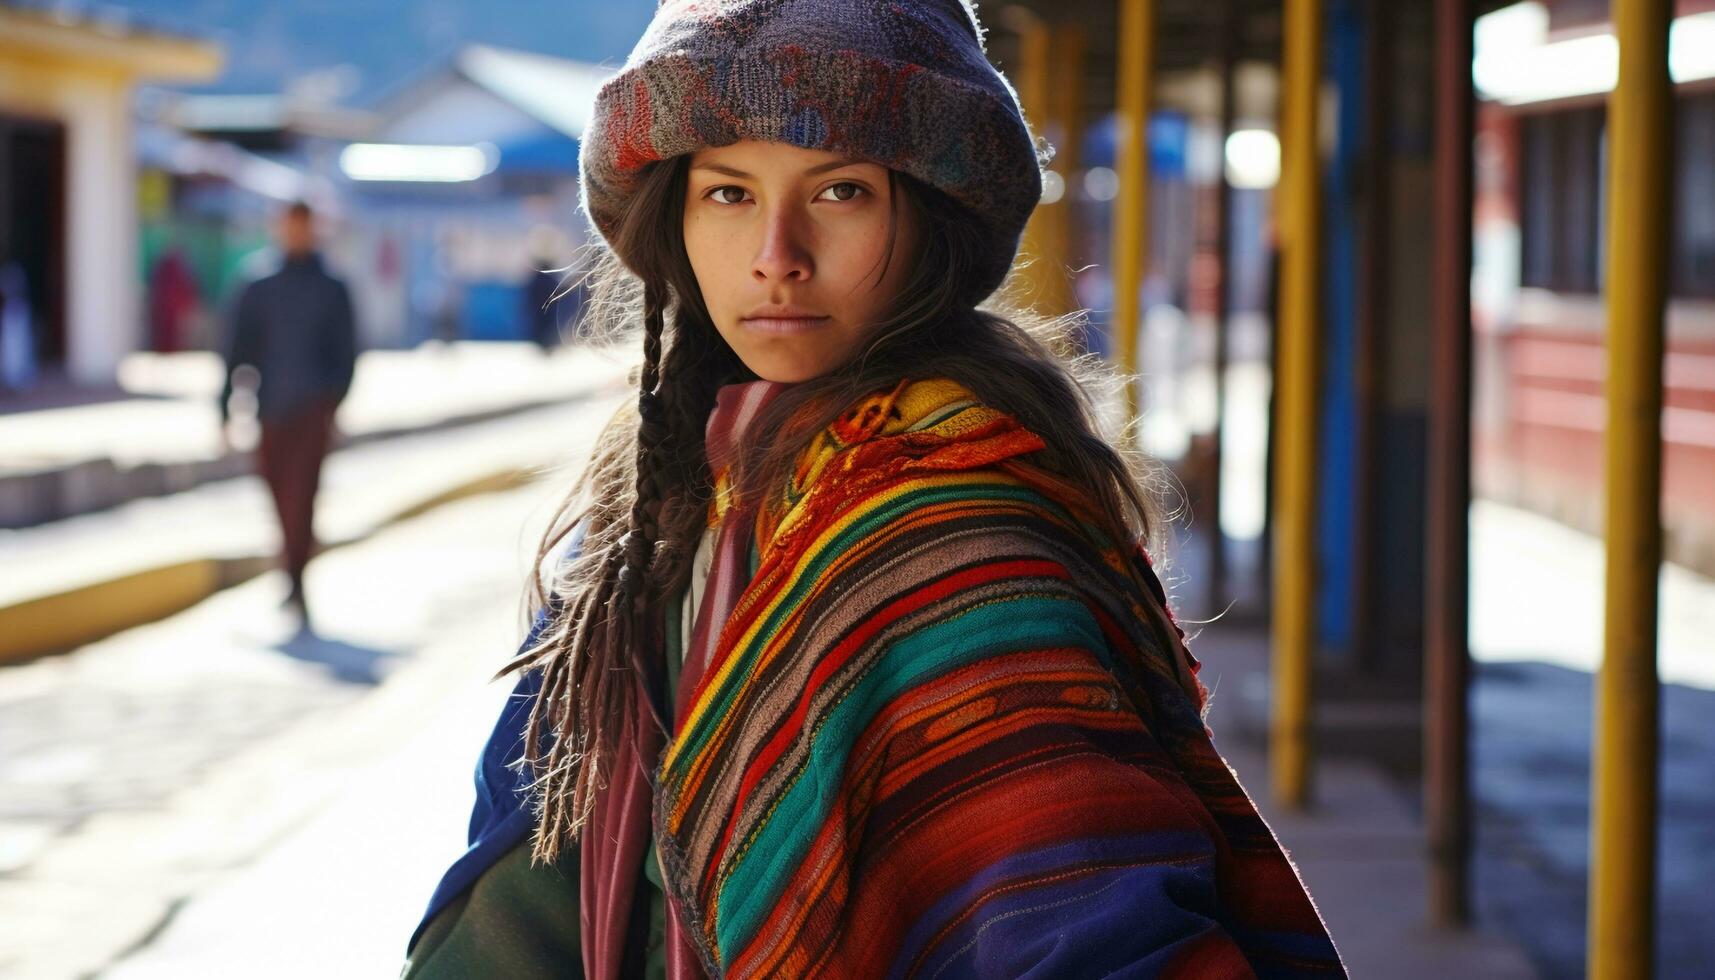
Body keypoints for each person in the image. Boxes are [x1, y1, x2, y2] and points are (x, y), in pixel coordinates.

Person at [403, 1, 1344, 977]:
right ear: (672, 221)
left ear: (929, 219)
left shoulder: (959, 541)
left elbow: (1086, 921)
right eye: (727, 194)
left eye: (840, 191)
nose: (777, 253)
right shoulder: (658, 494)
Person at [218, 200, 357, 627]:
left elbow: (348, 351)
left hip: (312, 411)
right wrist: (223, 403)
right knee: (279, 496)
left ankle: (296, 581)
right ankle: (290, 571)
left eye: (304, 226)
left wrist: (333, 403)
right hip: (271, 409)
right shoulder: (258, 282)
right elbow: (236, 348)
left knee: (303, 498)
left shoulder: (331, 285)